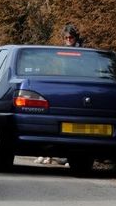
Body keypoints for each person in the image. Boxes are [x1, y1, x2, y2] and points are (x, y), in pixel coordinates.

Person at [36, 23, 84, 166]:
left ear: (76, 37)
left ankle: (70, 158)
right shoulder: (61, 51)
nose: (69, 40)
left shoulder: (81, 52)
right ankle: (49, 155)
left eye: (71, 37)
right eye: (66, 37)